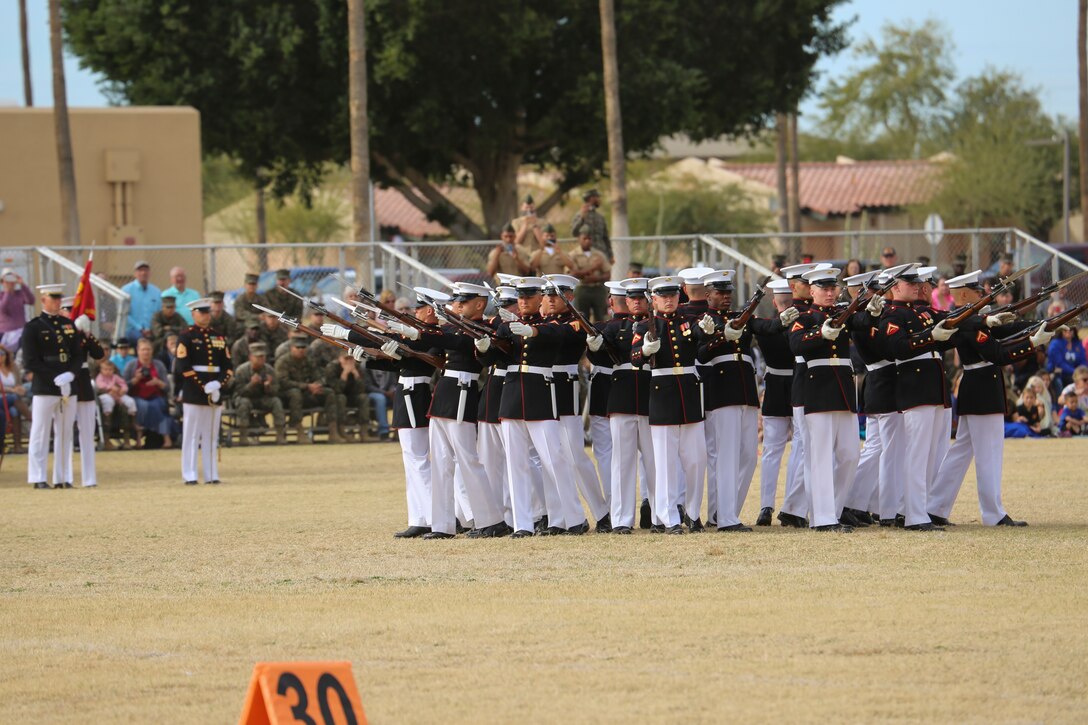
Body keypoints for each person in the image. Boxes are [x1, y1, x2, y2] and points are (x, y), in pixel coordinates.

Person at [379, 283, 508, 539]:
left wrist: (418, 334)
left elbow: (451, 340)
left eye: (463, 301)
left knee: (468, 460)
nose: (457, 305)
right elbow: (431, 346)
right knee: (440, 463)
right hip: (443, 395)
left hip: (462, 393)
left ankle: (492, 520)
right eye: (457, 301)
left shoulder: (480, 329)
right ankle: (442, 525)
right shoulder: (452, 327)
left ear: (480, 304)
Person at [475, 276, 587, 537]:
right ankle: (523, 523)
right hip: (512, 397)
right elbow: (494, 356)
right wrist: (482, 348)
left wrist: (534, 332)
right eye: (520, 298)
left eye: (528, 297)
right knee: (516, 465)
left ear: (539, 299)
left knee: (554, 460)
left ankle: (571, 518)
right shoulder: (506, 326)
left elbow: (562, 334)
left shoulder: (550, 324)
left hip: (541, 395)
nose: (523, 302)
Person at [927, 270, 1039, 527]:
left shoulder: (973, 321)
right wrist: (1033, 342)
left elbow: (1005, 331)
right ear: (965, 294)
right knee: (988, 452)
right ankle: (993, 513)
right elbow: (997, 353)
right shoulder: (967, 323)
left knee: (961, 452)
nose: (982, 295)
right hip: (982, 392)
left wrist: (1039, 326)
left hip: (978, 390)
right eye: (977, 292)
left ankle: (935, 506)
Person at [698, 270, 796, 532]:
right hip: (721, 393)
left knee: (748, 458)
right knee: (726, 457)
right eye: (720, 293)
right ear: (708, 295)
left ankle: (723, 512)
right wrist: (718, 337)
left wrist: (784, 320)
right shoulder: (703, 320)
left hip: (745, 393)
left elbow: (765, 327)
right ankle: (726, 519)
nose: (726, 297)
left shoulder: (739, 317)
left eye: (729, 292)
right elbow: (700, 354)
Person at [880, 264, 959, 531]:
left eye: (916, 282)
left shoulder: (920, 313)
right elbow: (898, 349)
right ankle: (914, 516)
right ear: (894, 287)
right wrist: (930, 336)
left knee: (929, 455)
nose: (916, 286)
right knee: (917, 454)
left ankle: (914, 510)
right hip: (915, 388)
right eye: (909, 282)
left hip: (932, 386)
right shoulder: (891, 315)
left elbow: (940, 341)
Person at [788, 268, 865, 532]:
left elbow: (863, 324)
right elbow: (796, 344)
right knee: (818, 457)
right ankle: (822, 518)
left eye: (833, 288)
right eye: (824, 288)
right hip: (818, 390)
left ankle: (834, 508)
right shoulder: (804, 317)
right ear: (812, 291)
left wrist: (874, 308)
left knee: (850, 454)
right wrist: (821, 333)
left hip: (843, 389)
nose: (830, 293)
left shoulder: (843, 315)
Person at [631, 276, 708, 535]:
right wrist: (645, 350)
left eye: (673, 295)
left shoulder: (688, 321)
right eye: (663, 296)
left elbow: (700, 336)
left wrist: (709, 329)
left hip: (689, 394)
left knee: (696, 460)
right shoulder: (644, 326)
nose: (668, 300)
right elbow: (633, 359)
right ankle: (668, 518)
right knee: (664, 463)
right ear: (653, 299)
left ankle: (694, 513)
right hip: (662, 394)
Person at [543, 274, 610, 532]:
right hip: (544, 385)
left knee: (573, 454)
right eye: (547, 295)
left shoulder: (575, 322)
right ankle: (558, 518)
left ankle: (601, 511)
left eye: (555, 295)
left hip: (565, 385)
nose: (549, 300)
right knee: (550, 456)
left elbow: (561, 338)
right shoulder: (544, 321)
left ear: (569, 297)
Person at [600, 278, 657, 533]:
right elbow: (600, 353)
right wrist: (594, 347)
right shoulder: (614, 327)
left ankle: (660, 515)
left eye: (640, 299)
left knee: (655, 462)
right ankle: (621, 519)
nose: (636, 303)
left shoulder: (657, 325)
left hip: (651, 394)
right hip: (622, 395)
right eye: (632, 299)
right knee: (622, 462)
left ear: (648, 301)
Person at [752, 279, 805, 526]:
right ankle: (792, 506)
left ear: (773, 302)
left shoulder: (764, 326)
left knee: (772, 451)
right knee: (799, 447)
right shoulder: (802, 322)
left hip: (774, 384)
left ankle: (766, 506)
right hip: (798, 384)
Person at [22, 283, 81, 489]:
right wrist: (56, 378)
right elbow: (30, 361)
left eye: (59, 298)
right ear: (43, 300)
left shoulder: (68, 325)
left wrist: (70, 374)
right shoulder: (33, 327)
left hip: (67, 383)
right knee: (40, 432)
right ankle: (38, 477)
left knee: (65, 433)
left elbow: (78, 354)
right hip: (45, 386)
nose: (57, 302)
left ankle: (63, 477)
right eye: (53, 298)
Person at [175, 298, 233, 484]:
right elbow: (184, 366)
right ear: (193, 314)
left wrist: (218, 384)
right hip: (194, 390)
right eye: (201, 312)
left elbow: (227, 366)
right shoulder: (186, 336)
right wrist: (203, 386)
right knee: (191, 435)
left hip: (214, 389)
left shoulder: (218, 336)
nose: (205, 316)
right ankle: (189, 474)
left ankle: (211, 474)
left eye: (207, 312)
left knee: (211, 435)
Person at [58, 296, 105, 488]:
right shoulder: (58, 331)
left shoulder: (81, 333)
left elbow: (98, 354)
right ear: (62, 312)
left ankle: (89, 477)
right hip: (65, 379)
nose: (72, 314)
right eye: (68, 310)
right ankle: (66, 476)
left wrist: (86, 333)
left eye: (74, 310)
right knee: (65, 431)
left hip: (83, 380)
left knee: (87, 431)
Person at [275, 336, 346, 444]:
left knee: (329, 393)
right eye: (297, 347)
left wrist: (317, 385)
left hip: (308, 393)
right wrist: (307, 386)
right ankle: (299, 431)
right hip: (287, 395)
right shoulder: (283, 361)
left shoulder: (308, 360)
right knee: (295, 393)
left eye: (303, 347)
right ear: (291, 348)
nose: (301, 350)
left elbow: (318, 375)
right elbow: (283, 382)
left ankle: (333, 432)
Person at [231, 342, 286, 445]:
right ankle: (243, 436)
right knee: (243, 403)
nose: (261, 359)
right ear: (251, 357)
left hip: (262, 398)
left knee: (276, 401)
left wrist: (268, 386)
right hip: (246, 398)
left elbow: (275, 392)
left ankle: (280, 434)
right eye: (258, 357)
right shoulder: (241, 370)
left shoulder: (269, 370)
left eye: (263, 356)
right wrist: (252, 384)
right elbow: (239, 392)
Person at [124, 338, 174, 449]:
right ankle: (143, 437)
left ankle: (161, 437)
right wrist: (135, 380)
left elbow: (167, 387)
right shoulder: (131, 365)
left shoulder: (158, 365)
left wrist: (158, 382)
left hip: (156, 396)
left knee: (157, 405)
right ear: (138, 351)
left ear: (152, 351)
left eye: (148, 349)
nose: (145, 352)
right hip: (136, 396)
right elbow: (124, 386)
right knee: (143, 406)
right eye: (143, 349)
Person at [567, 226, 611, 322]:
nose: (587, 241)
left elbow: (607, 274)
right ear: (579, 239)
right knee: (581, 317)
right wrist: (594, 267)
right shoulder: (573, 255)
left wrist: (596, 278)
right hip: (582, 289)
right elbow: (573, 273)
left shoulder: (599, 254)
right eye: (584, 238)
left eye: (589, 238)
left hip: (597, 289)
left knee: (601, 318)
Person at [95, 358, 138, 449]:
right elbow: (100, 385)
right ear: (101, 370)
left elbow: (123, 384)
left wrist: (122, 390)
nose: (108, 372)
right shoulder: (99, 377)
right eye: (105, 369)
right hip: (106, 394)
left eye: (110, 370)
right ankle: (107, 416)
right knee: (108, 401)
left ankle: (132, 418)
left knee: (130, 401)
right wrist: (110, 388)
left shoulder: (115, 377)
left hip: (118, 395)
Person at [120, 261, 162, 343]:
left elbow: (159, 313)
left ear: (149, 273)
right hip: (132, 330)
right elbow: (125, 314)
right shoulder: (126, 290)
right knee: (142, 340)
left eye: (146, 270)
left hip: (152, 329)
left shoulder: (156, 292)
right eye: (140, 270)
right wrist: (140, 328)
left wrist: (151, 328)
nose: (143, 273)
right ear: (135, 273)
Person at [0, 344, 31, 453]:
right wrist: (13, 390)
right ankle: (31, 418)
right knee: (14, 397)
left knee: (14, 410)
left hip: (13, 398)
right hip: (2, 397)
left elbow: (18, 383)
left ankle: (17, 446)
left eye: (2, 354)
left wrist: (19, 388)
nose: (1, 356)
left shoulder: (13, 367)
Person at [0, 269, 35, 354]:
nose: (10, 283)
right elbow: (3, 309)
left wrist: (22, 284)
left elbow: (31, 301)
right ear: (2, 282)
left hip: (20, 332)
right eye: (6, 281)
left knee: (21, 355)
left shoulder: (19, 294)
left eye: (11, 280)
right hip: (5, 332)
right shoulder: (1, 295)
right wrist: (8, 292)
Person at [571, 188, 612, 261]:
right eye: (598, 197)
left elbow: (605, 238)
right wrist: (582, 218)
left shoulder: (600, 217)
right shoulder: (579, 215)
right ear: (592, 198)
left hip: (602, 254)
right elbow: (574, 232)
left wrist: (610, 255)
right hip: (587, 256)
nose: (599, 200)